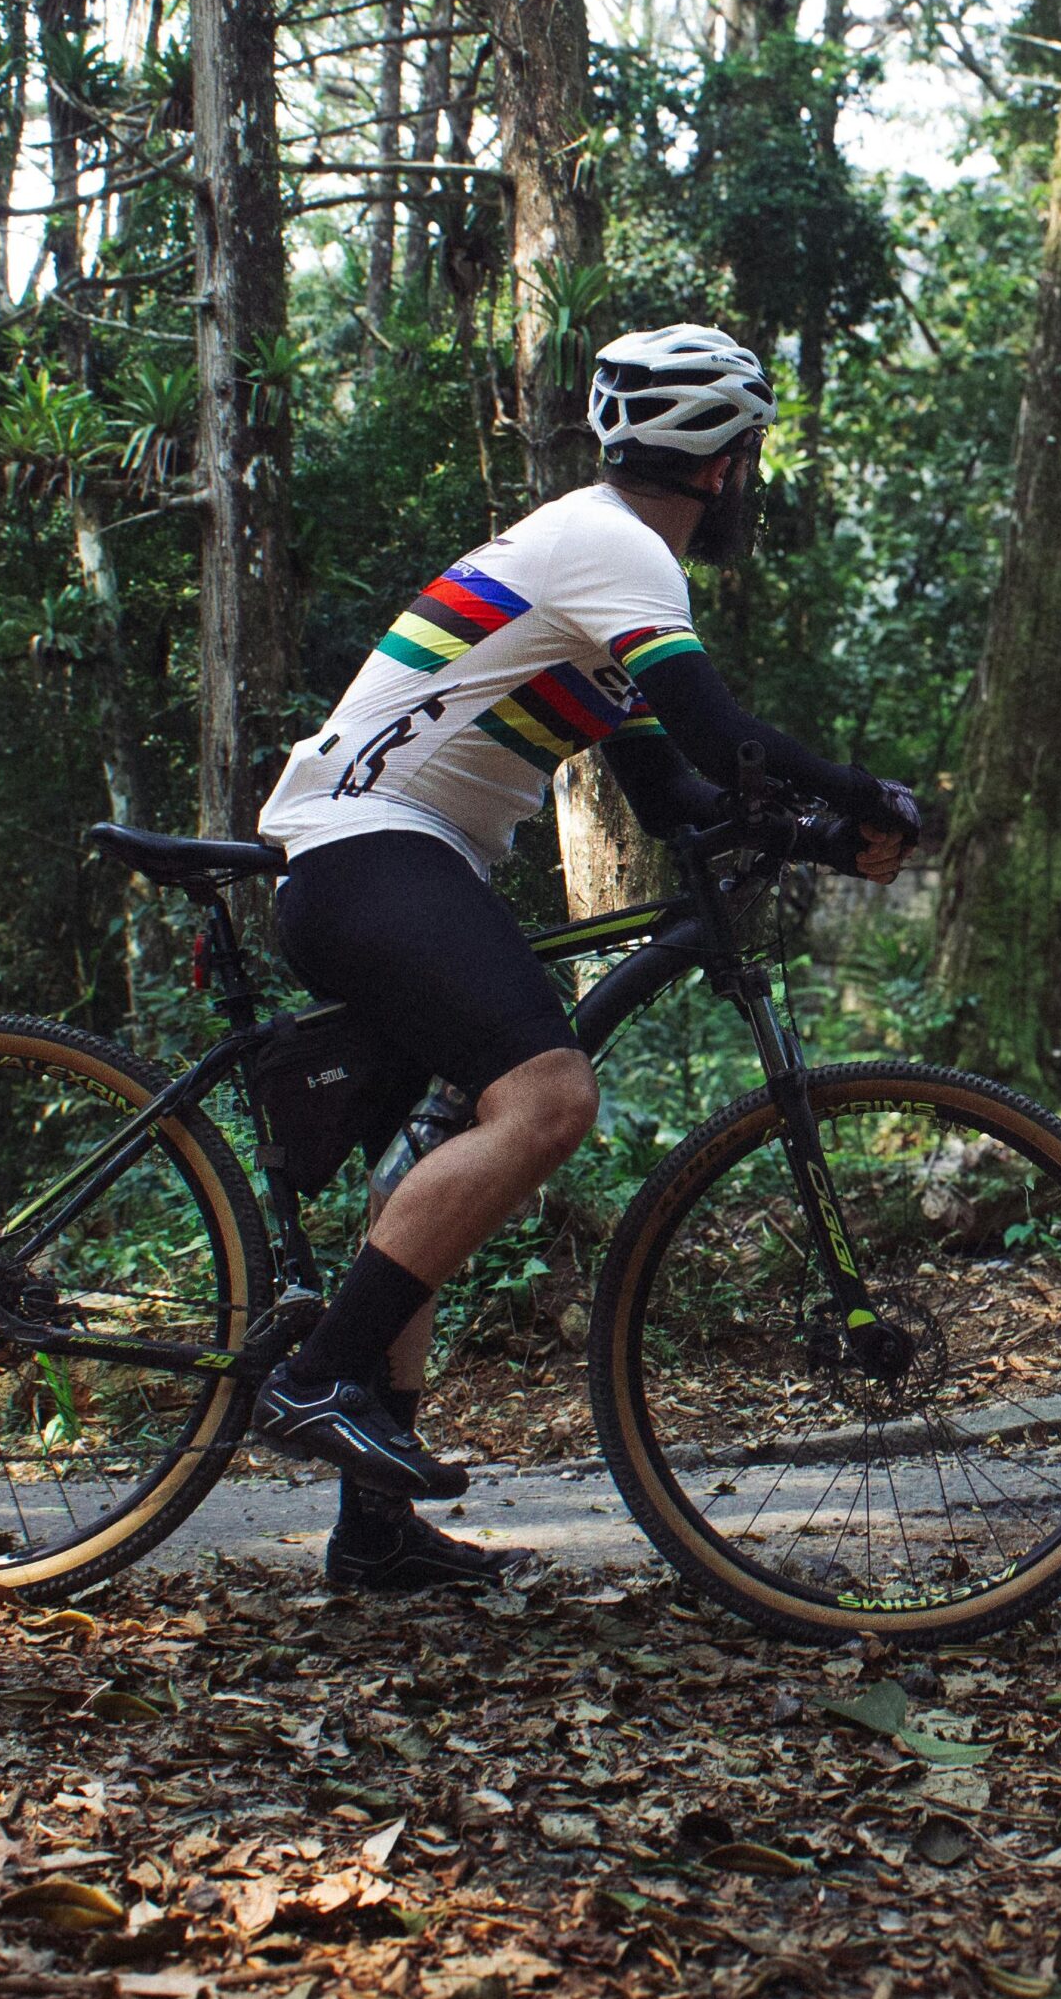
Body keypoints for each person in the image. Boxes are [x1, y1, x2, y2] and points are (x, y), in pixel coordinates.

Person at [253, 324, 921, 1591]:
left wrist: (830, 837)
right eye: (749, 453)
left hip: (395, 856)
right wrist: (862, 785)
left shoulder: (596, 562)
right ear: (720, 464)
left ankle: (375, 1530)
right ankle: (315, 1374)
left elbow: (673, 787)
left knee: (450, 1140)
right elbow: (715, 724)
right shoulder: (614, 546)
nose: (749, 477)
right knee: (549, 1097)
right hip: (369, 846)